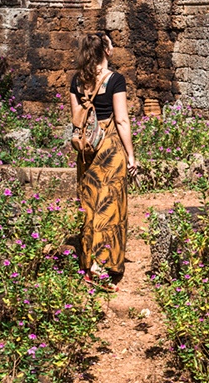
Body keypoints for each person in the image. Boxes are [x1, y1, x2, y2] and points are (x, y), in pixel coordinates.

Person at [70, 32, 137, 289]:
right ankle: (102, 266)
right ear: (106, 51)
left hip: (86, 148)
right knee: (109, 204)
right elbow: (121, 120)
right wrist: (131, 154)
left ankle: (88, 262)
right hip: (109, 145)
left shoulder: (76, 80)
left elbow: (77, 118)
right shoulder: (114, 80)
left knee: (89, 202)